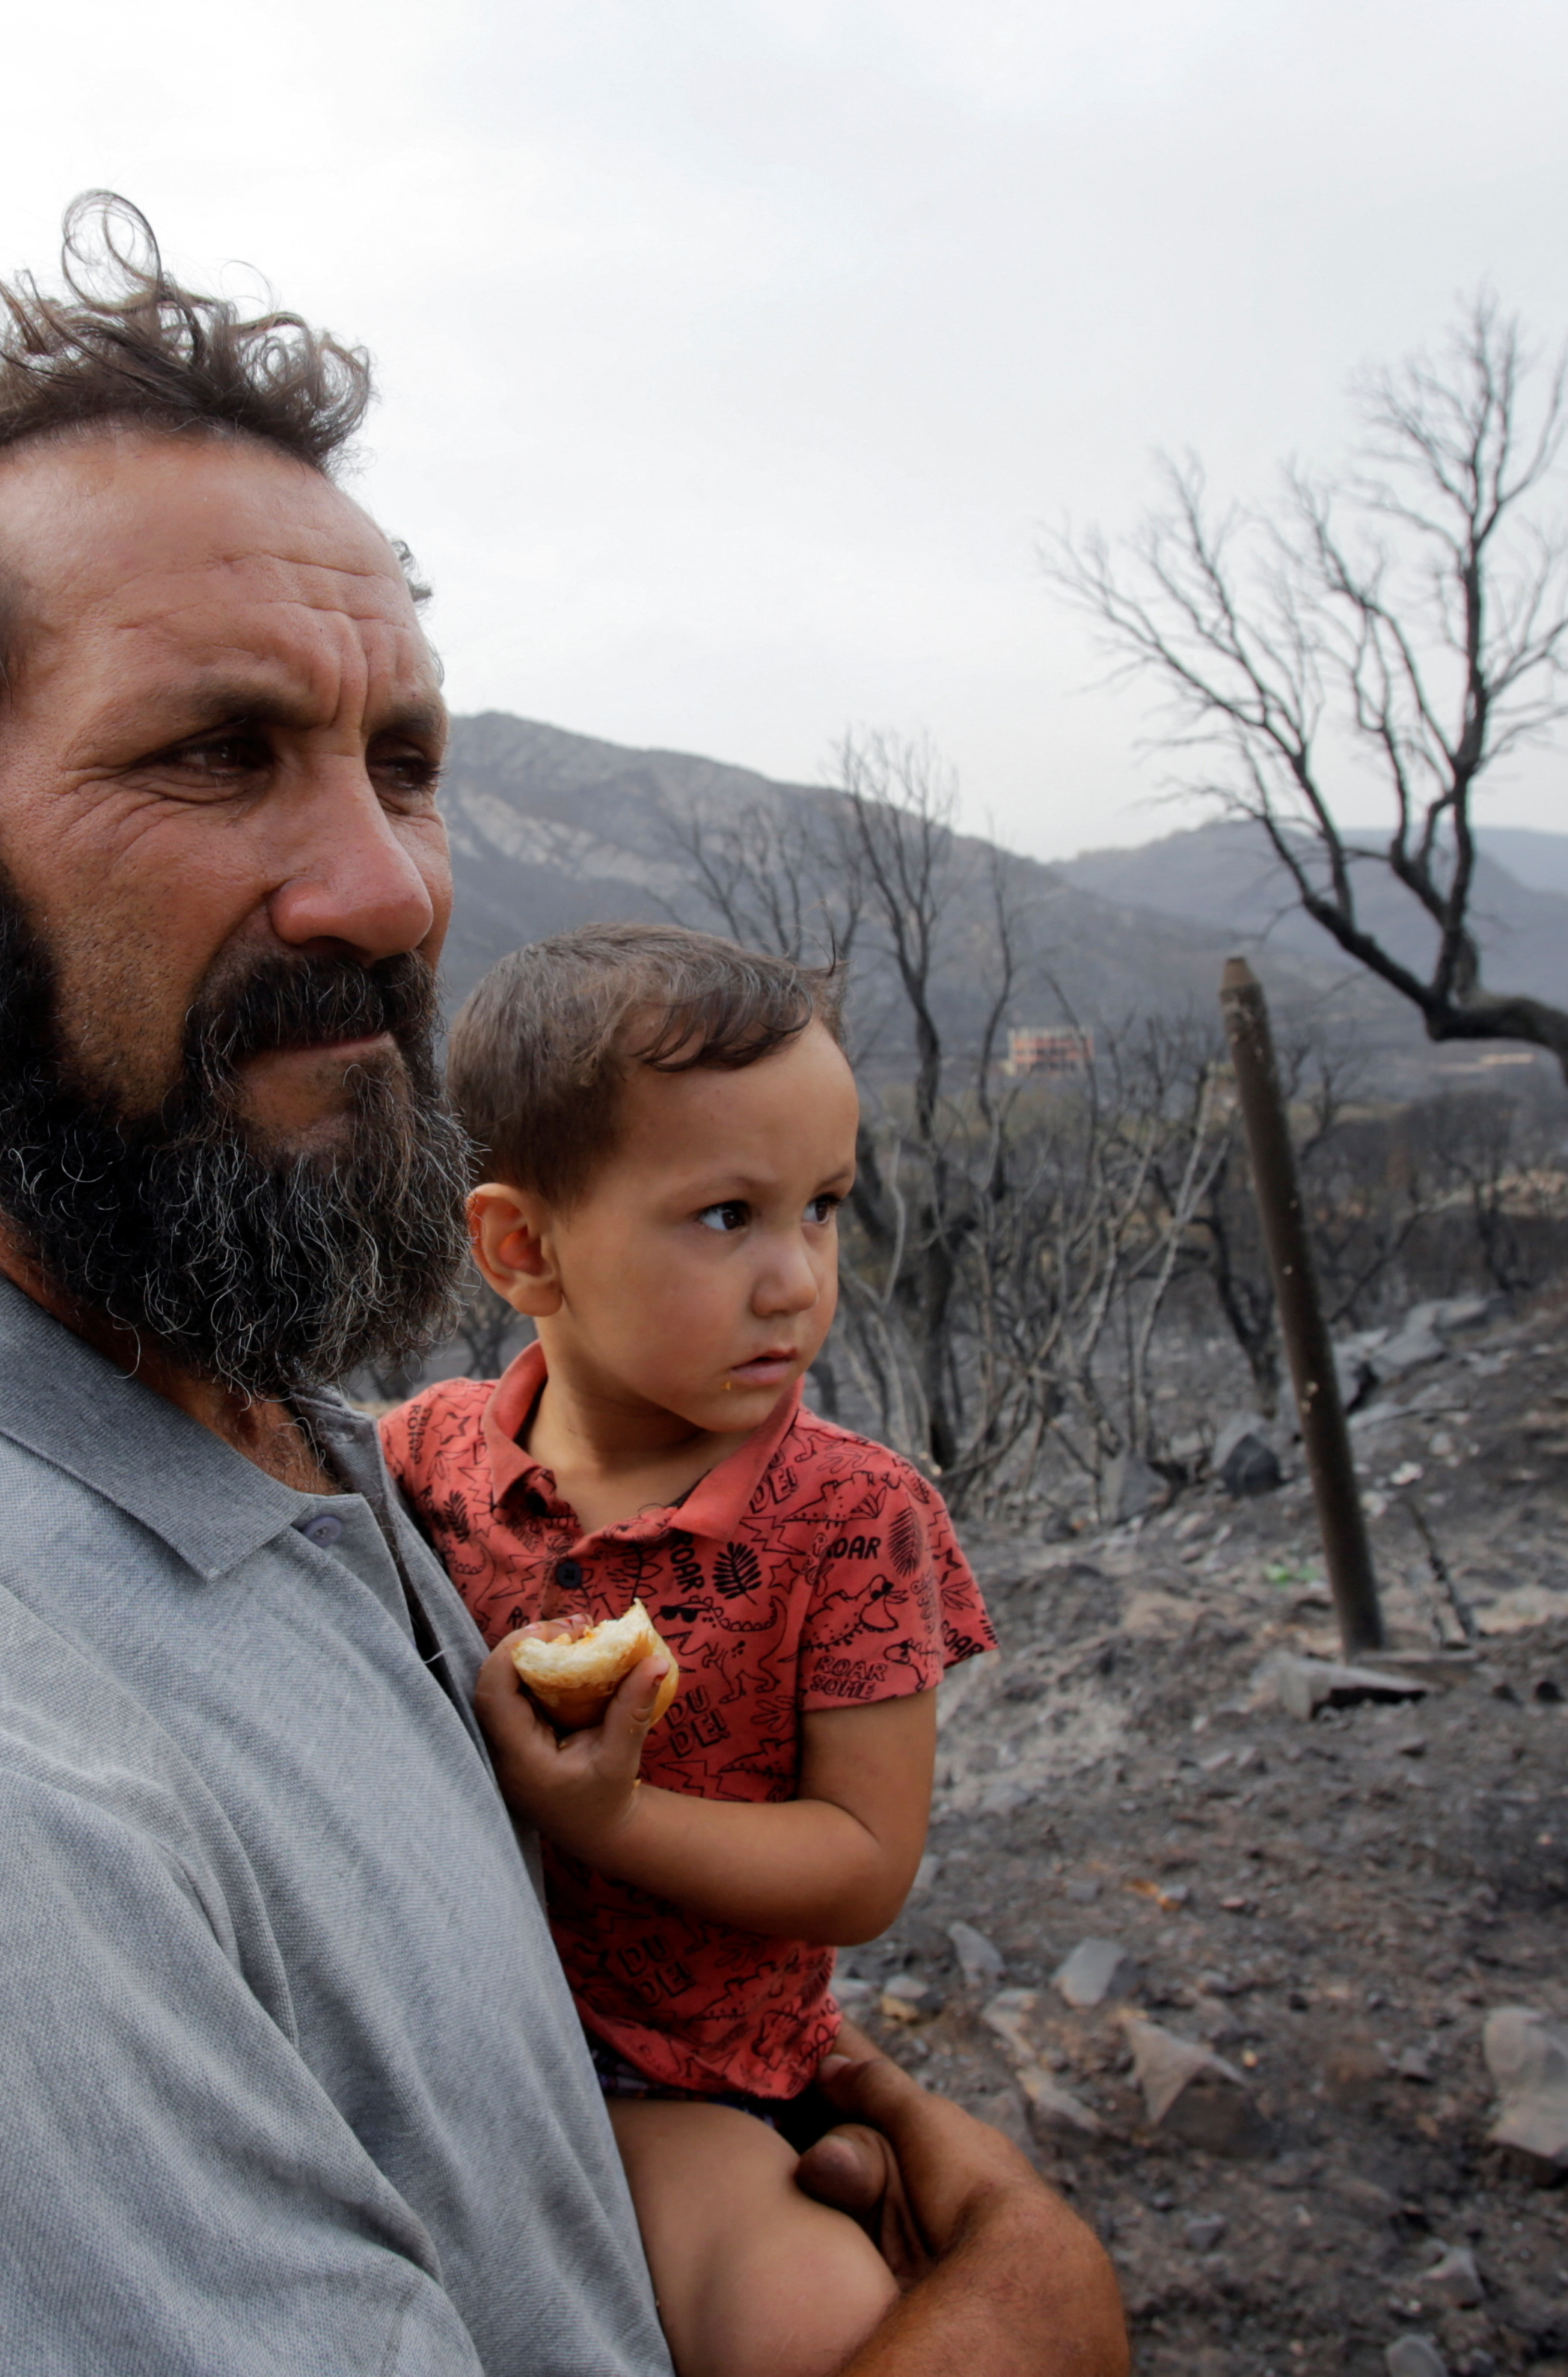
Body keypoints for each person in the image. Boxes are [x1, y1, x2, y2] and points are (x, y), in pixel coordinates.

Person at [0, 194, 1127, 2377]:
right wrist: (1019, 2330)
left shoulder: (235, 1404)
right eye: (214, 753)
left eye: (403, 762)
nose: (385, 888)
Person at [382, 926, 984, 2377]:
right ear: (525, 1247)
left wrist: (612, 1817)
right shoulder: (423, 1463)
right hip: (426, 2030)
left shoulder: (852, 1516)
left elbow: (862, 1859)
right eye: (726, 1216)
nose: (796, 1277)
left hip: (676, 2076)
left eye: (824, 1207)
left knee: (804, 2325)